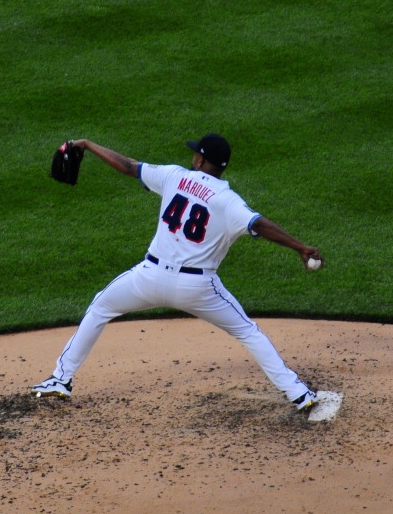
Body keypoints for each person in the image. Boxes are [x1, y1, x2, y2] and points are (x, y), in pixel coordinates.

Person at [32, 133, 324, 411]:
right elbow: (258, 224)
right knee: (248, 332)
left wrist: (88, 144)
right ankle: (298, 393)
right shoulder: (228, 200)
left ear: (199, 160)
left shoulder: (174, 176)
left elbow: (129, 166)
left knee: (101, 307)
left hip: (149, 277)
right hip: (197, 289)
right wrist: (299, 247)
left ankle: (61, 378)